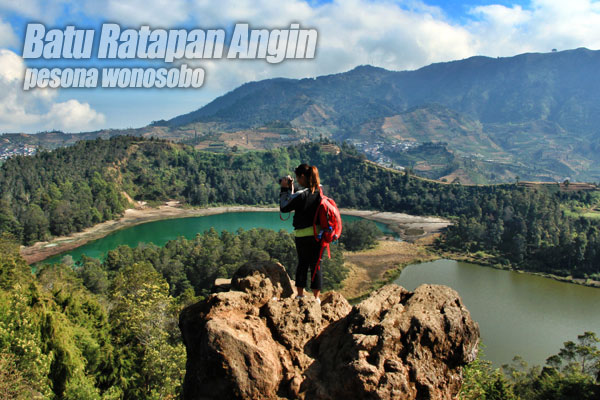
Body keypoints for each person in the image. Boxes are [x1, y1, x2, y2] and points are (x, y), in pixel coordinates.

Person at [279, 163, 323, 304]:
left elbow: (285, 207)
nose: (297, 180)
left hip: (303, 236)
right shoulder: (320, 191)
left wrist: (284, 189)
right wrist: (292, 189)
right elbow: (301, 196)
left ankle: (300, 295)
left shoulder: (301, 195)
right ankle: (316, 298)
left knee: (302, 264)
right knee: (316, 265)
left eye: (298, 178)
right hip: (319, 235)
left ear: (302, 176)